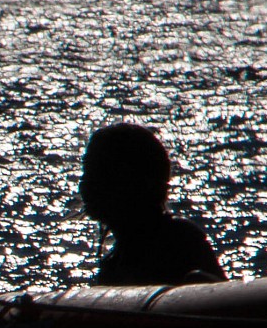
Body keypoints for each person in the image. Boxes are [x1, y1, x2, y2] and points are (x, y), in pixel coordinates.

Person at [80, 122, 225, 286]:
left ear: (136, 181)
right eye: (86, 170)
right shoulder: (114, 262)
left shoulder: (179, 243)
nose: (85, 184)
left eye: (100, 172)